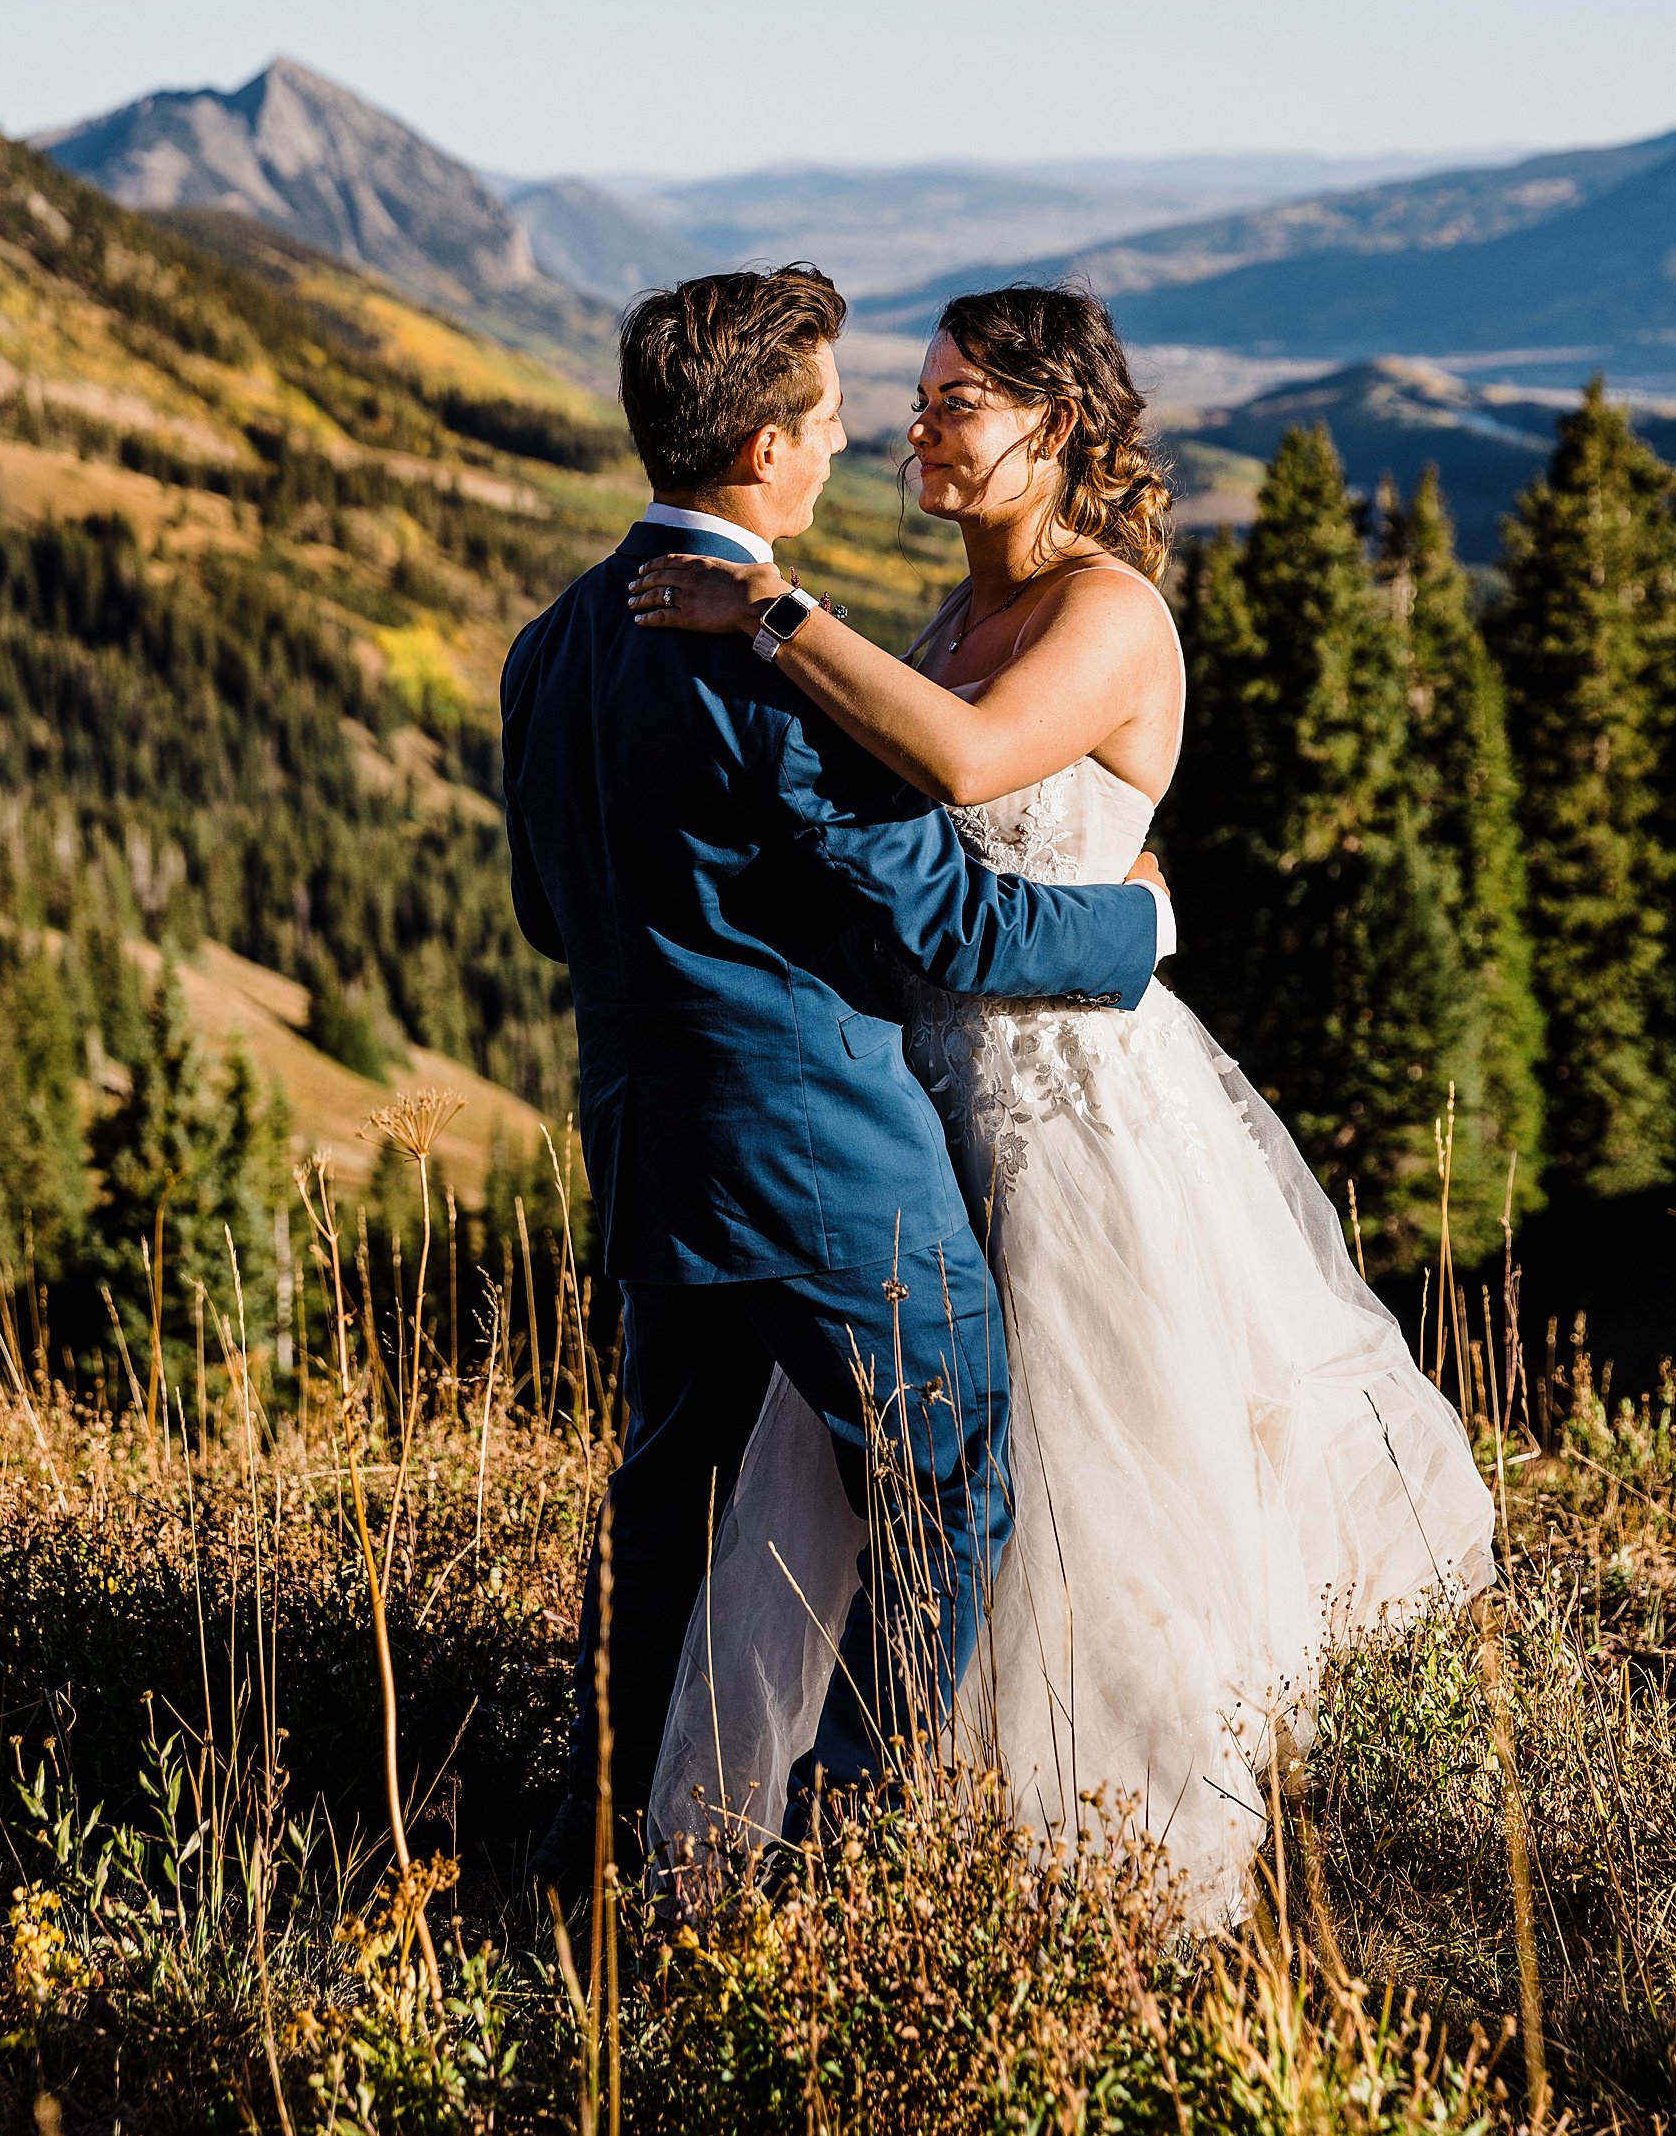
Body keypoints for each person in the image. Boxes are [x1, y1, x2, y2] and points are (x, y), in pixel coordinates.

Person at [629, 282, 1496, 1924]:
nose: (919, 425)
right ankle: (873, 1831)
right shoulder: (947, 621)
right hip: (924, 1103)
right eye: (922, 397)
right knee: (898, 1479)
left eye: (959, 400)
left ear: (1062, 428)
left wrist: (771, 614)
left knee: (1087, 1472)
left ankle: (1086, 1851)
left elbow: (963, 770)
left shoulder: (1114, 613)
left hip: (1074, 1105)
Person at [500, 267, 1175, 1901]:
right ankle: (848, 1863)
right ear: (756, 444)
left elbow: (544, 909)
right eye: (826, 415)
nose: (850, 436)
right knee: (950, 1466)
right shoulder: (769, 672)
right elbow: (946, 914)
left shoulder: (552, 642)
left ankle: (596, 1838)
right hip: (819, 1146)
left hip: (645, 1135)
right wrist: (1138, 924)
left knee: (673, 1491)